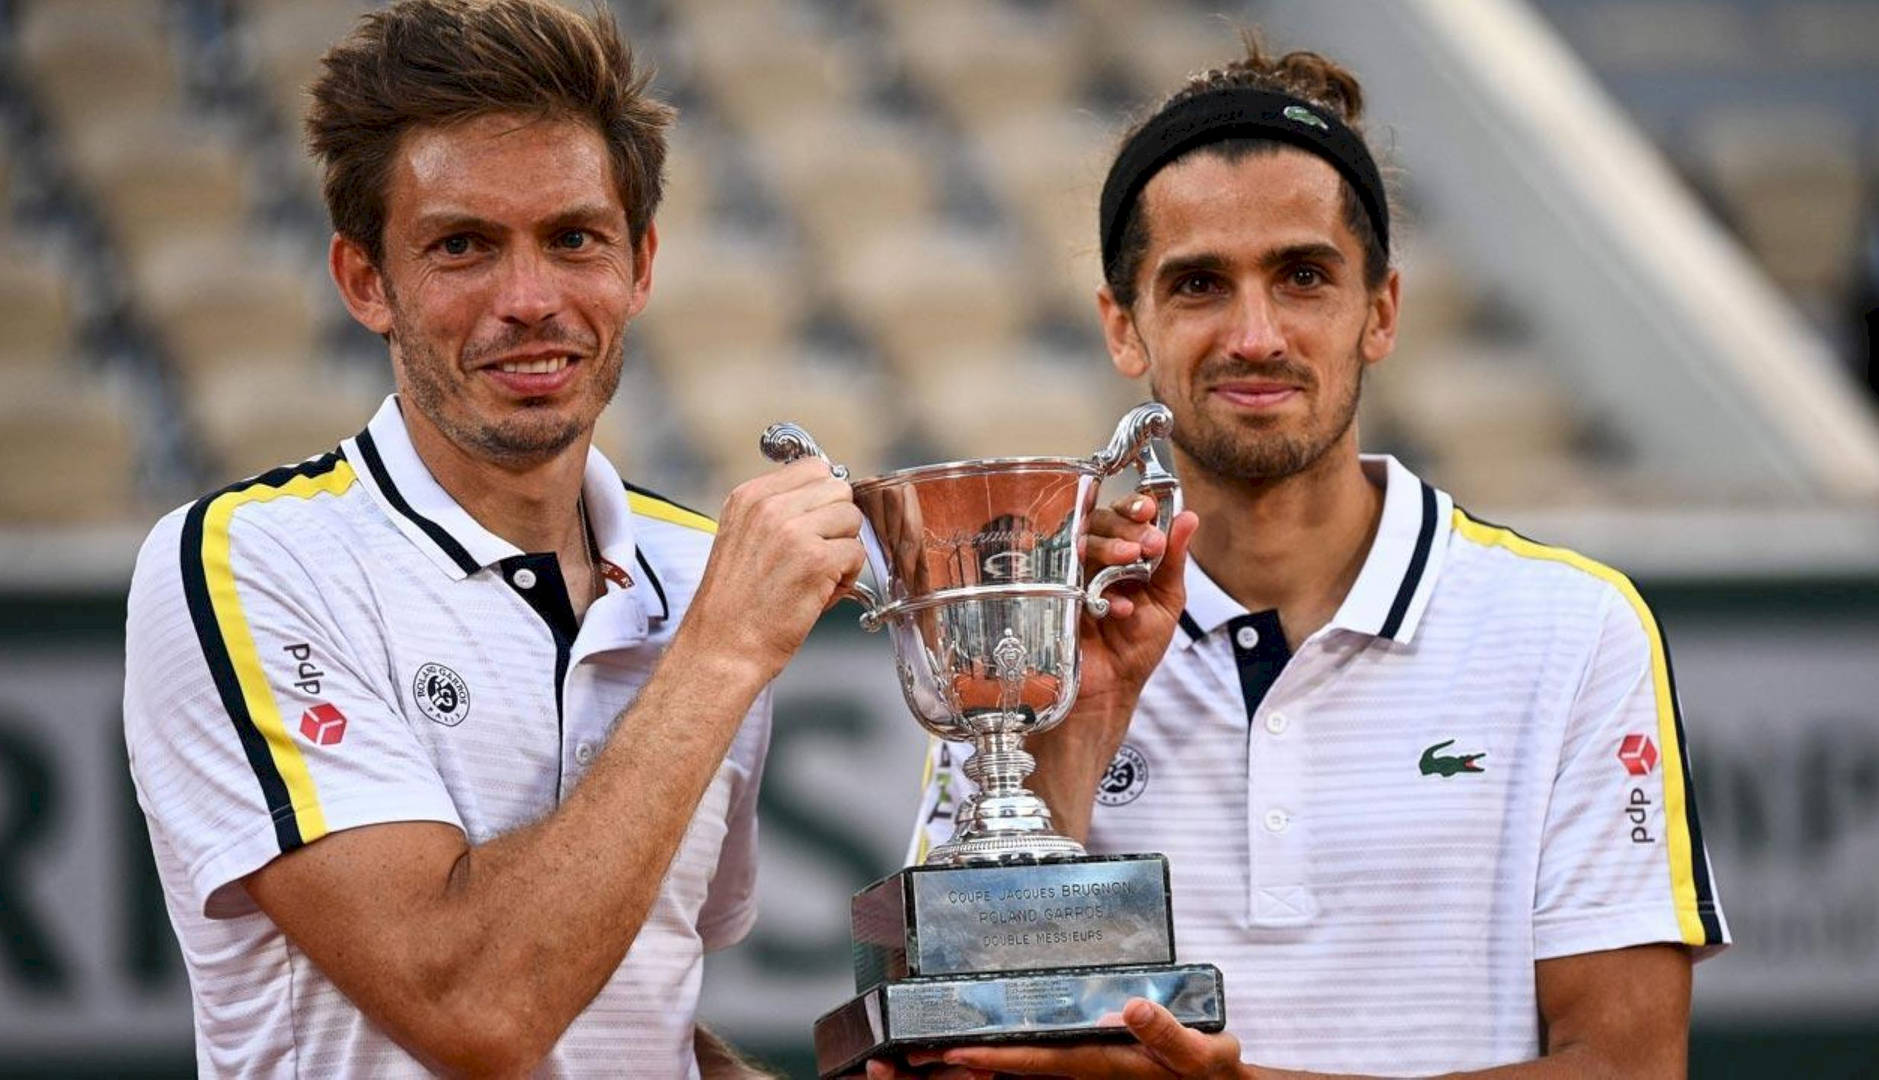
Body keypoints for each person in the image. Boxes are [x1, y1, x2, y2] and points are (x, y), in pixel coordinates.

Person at [893, 37, 1728, 1079]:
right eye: (1199, 284)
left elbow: (1629, 1067)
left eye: (1302, 276)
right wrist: (1071, 745)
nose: (1255, 334)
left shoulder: (1574, 628)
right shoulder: (1038, 645)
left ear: (1379, 309)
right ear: (1124, 327)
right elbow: (957, 1051)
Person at [121, 1, 865, 1074]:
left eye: (574, 240)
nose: (529, 300)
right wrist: (721, 650)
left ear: (640, 265)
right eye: (463, 246)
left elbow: (625, 994)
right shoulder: (245, 561)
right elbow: (478, 1009)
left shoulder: (703, 568)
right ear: (365, 281)